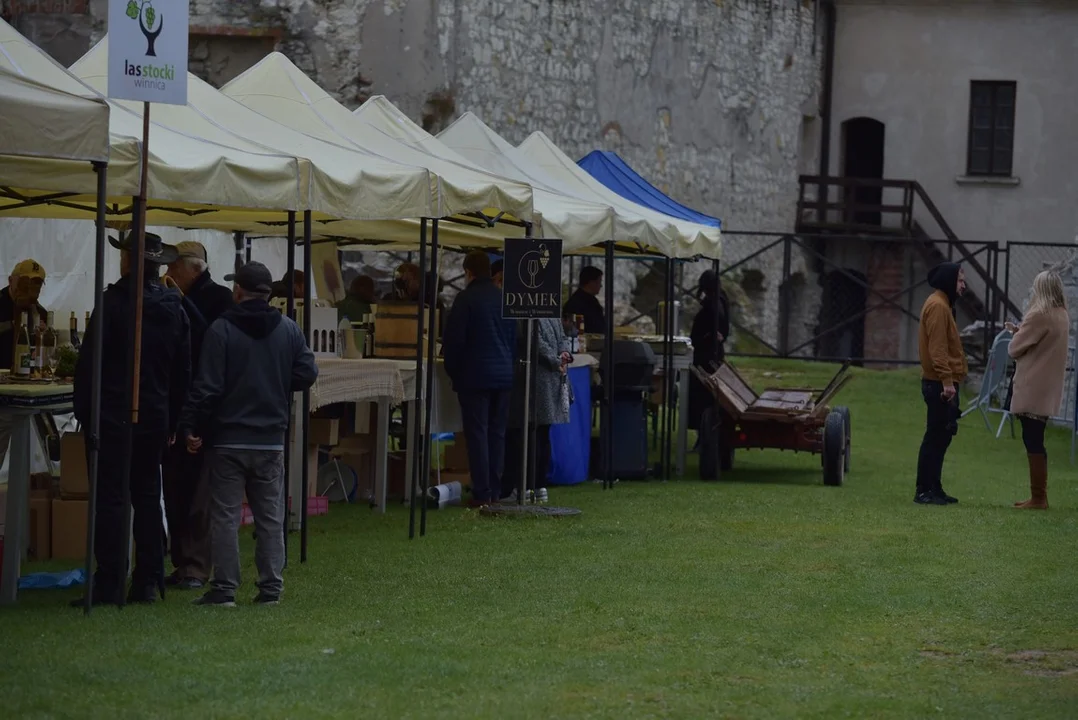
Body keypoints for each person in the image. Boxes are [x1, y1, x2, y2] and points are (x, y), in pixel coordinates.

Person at [179, 262, 318, 607]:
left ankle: (225, 589)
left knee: (225, 517)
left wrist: (191, 424)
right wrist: (277, 379)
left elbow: (207, 387)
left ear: (238, 291)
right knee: (270, 517)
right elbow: (306, 373)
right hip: (270, 438)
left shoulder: (221, 330)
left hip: (228, 439)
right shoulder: (288, 328)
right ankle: (270, 588)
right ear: (269, 293)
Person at [71, 233, 191, 606]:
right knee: (145, 497)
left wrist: (87, 415)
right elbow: (182, 373)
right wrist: (172, 419)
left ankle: (111, 582)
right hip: (152, 416)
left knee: (112, 500)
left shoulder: (113, 304)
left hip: (113, 415)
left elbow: (89, 367)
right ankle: (147, 581)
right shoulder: (174, 307)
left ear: (127, 262)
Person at [160, 241, 235, 590]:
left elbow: (209, 338)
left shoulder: (219, 298)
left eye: (172, 270)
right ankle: (182, 562)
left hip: (204, 406)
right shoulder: (174, 295)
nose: (166, 276)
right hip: (178, 402)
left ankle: (195, 567)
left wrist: (180, 301)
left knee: (197, 492)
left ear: (192, 269)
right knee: (175, 486)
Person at [442, 251, 516, 507]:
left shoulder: (466, 299)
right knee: (497, 434)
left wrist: (454, 372)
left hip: (475, 376)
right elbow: (514, 338)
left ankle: (482, 492)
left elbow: (454, 342)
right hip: (504, 375)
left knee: (477, 435)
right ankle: (495, 490)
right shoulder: (505, 299)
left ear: (468, 272)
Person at [1005, 271, 1069, 510]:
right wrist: (1021, 331)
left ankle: (1039, 498)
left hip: (1033, 383)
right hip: (1048, 385)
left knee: (1032, 439)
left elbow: (1014, 349)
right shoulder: (1061, 314)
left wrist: (1017, 334)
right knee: (1035, 438)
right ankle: (1038, 496)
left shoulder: (1039, 314)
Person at [502, 318, 572, 504]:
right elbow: (562, 338)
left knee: (529, 436)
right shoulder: (553, 314)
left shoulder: (530, 315)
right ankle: (540, 486)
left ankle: (526, 486)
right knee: (542, 435)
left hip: (535, 380)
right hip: (551, 379)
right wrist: (563, 354)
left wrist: (556, 359)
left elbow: (534, 342)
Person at [914, 262, 967, 505]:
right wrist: (947, 383)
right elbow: (937, 349)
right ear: (948, 280)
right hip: (938, 385)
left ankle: (934, 487)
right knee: (934, 436)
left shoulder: (943, 305)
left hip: (944, 383)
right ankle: (924, 490)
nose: (963, 285)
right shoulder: (937, 306)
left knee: (942, 436)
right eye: (960, 280)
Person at [0, 259, 49, 468]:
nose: (33, 290)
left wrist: (44, 339)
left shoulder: (40, 313)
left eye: (37, 285)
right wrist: (12, 324)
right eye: (27, 283)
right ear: (11, 280)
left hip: (25, 391)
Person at [687, 270, 730, 435]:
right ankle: (705, 432)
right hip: (710, 353)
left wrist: (709, 336)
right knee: (707, 397)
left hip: (707, 356)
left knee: (704, 397)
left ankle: (705, 433)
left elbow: (716, 331)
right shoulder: (719, 301)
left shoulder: (714, 304)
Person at [563, 266, 606, 334]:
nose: (601, 285)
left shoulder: (592, 301)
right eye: (599, 281)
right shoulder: (576, 304)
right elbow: (576, 331)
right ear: (591, 282)